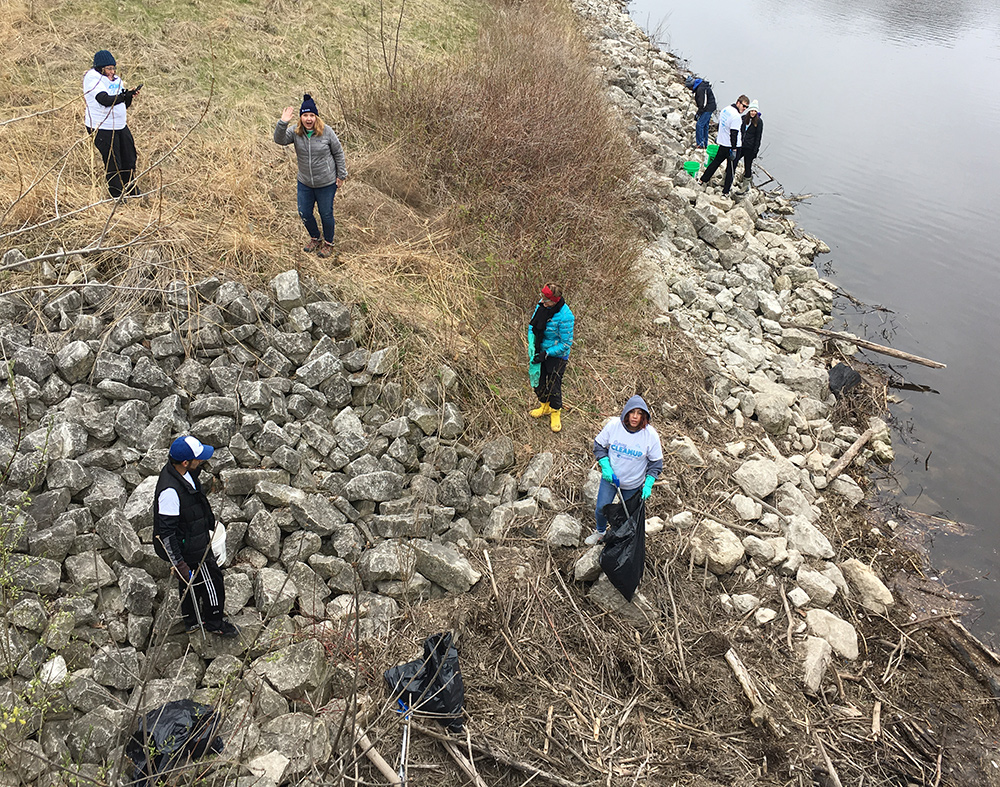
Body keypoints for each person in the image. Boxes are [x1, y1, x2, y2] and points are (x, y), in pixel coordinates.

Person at [152, 436, 238, 637]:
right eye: (197, 458)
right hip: (189, 546)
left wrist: (209, 523)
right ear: (185, 462)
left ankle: (191, 620)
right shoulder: (170, 492)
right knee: (212, 580)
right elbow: (166, 533)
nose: (201, 461)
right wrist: (179, 563)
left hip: (194, 533)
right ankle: (214, 621)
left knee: (189, 581)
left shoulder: (185, 472)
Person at [274, 94, 348, 259]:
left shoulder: (327, 132)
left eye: (312, 115)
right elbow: (279, 140)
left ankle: (328, 243)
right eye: (305, 115)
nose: (309, 119)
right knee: (304, 212)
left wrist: (341, 175)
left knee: (325, 213)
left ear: (316, 116)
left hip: (326, 182)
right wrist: (283, 122)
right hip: (305, 182)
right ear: (301, 117)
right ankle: (315, 238)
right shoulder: (295, 131)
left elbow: (338, 153)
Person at [585, 396, 663, 545]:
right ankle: (600, 532)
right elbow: (599, 445)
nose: (634, 416)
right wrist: (605, 466)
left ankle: (622, 539)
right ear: (626, 413)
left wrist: (649, 483)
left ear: (644, 416)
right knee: (601, 507)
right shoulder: (614, 426)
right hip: (611, 479)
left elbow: (656, 463)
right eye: (632, 412)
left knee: (628, 515)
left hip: (633, 484)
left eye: (639, 413)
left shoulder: (650, 435)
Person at [82, 50, 141, 199]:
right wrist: (122, 96)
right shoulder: (93, 78)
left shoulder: (116, 80)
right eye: (108, 68)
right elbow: (104, 100)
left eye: (113, 68)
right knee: (113, 160)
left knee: (129, 157)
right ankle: (116, 194)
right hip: (101, 126)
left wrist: (128, 96)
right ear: (100, 68)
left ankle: (130, 189)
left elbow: (123, 104)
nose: (112, 71)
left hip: (120, 125)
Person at [527, 283, 575, 433]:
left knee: (554, 383)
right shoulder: (541, 306)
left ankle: (555, 411)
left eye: (546, 299)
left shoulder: (566, 316)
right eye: (542, 298)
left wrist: (547, 353)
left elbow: (566, 343)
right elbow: (532, 325)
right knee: (538, 381)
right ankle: (544, 406)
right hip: (540, 348)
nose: (542, 302)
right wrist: (531, 342)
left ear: (554, 300)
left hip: (557, 355)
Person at [699, 94, 749, 197]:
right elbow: (734, 134)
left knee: (715, 162)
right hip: (732, 146)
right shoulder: (736, 117)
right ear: (738, 102)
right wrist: (734, 149)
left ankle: (703, 179)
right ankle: (725, 192)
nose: (744, 109)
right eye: (743, 106)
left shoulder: (726, 109)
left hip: (722, 143)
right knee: (731, 169)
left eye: (746, 107)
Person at [684, 75, 716, 149]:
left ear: (691, 85)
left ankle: (700, 144)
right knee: (705, 125)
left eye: (689, 87)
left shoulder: (700, 89)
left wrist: (698, 114)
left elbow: (703, 104)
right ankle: (705, 144)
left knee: (699, 125)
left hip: (708, 108)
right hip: (710, 107)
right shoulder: (700, 86)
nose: (689, 89)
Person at [740, 99, 764, 188]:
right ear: (749, 110)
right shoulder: (743, 118)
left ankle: (745, 186)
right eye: (752, 110)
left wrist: (755, 151)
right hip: (741, 145)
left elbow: (758, 137)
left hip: (750, 148)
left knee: (748, 166)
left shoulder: (759, 122)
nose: (753, 113)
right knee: (733, 161)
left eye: (755, 111)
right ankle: (726, 179)